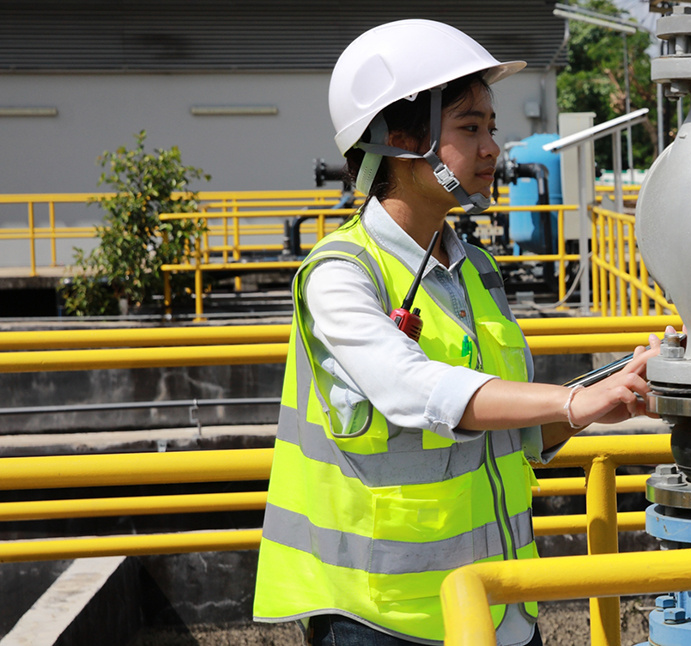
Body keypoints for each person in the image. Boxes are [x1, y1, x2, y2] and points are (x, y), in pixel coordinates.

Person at [252, 20, 663, 646]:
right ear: (399, 139)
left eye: (491, 129)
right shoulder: (339, 276)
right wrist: (569, 398)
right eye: (469, 128)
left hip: (499, 605)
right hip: (387, 618)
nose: (493, 149)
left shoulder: (477, 270)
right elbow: (413, 389)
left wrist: (601, 397)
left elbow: (509, 432)